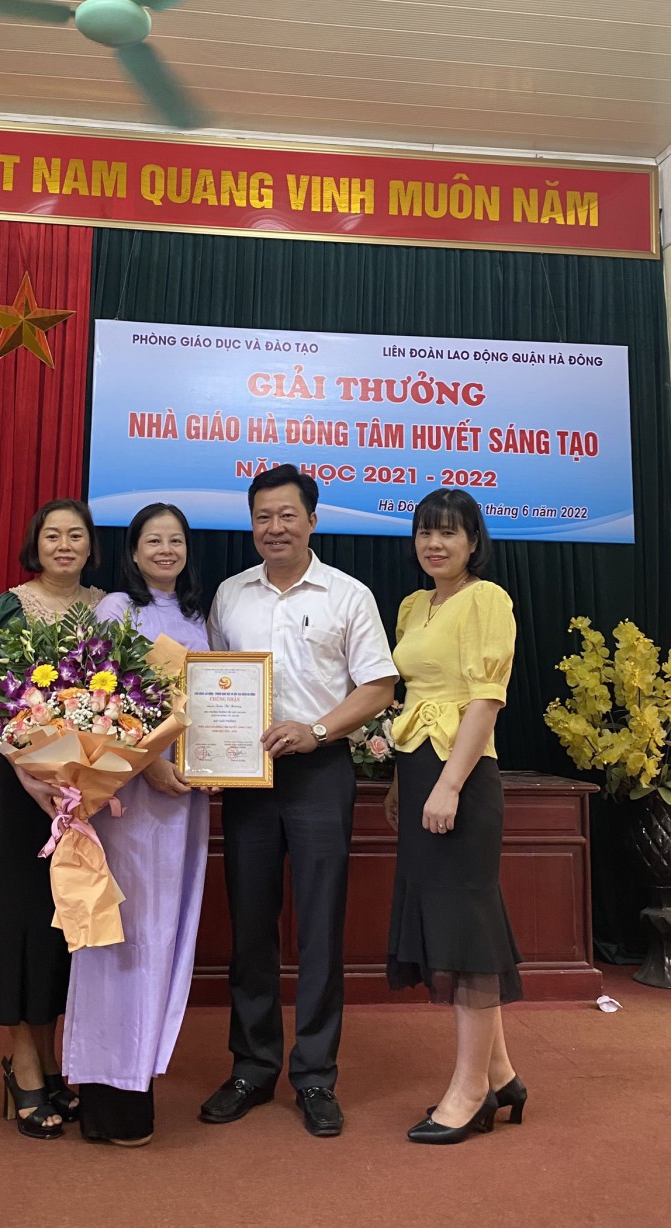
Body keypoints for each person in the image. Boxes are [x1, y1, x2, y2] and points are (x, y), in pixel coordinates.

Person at [200, 464, 397, 1138]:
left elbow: (378, 687)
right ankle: (253, 1067)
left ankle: (314, 1075)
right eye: (263, 517)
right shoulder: (229, 595)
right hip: (248, 780)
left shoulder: (348, 595)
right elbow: (213, 684)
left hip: (320, 774)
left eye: (287, 515)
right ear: (251, 524)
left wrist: (316, 730)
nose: (275, 527)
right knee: (250, 927)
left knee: (320, 926)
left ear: (312, 520)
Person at [63, 502, 210, 1147]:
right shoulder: (114, 611)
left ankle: (134, 1082)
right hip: (125, 803)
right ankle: (107, 1091)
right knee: (119, 936)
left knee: (164, 936)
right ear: (133, 550)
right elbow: (92, 710)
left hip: (182, 805)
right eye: (154, 540)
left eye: (176, 540)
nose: (166, 550)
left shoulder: (201, 620)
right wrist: (147, 765)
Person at [386, 487, 525, 1145]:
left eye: (448, 532)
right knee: (453, 925)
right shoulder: (414, 606)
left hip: (461, 777)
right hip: (419, 771)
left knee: (467, 933)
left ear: (473, 542)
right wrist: (401, 783)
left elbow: (485, 700)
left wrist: (447, 786)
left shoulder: (486, 599)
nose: (434, 544)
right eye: (424, 531)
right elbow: (411, 697)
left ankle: (471, 1092)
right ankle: (501, 1075)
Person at [0, 498, 104, 1139]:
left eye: (76, 534)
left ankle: (50, 1062)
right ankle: (22, 1064)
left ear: (90, 545)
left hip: (87, 791)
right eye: (53, 535)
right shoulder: (7, 609)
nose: (64, 545)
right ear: (35, 544)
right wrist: (27, 771)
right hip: (24, 791)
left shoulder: (107, 609)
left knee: (62, 924)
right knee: (22, 919)